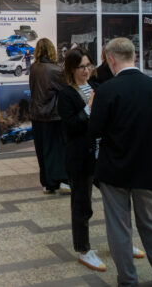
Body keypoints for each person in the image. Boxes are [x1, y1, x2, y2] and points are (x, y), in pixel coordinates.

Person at [89, 38, 152, 287]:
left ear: (110, 60)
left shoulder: (107, 91)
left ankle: (127, 281)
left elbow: (94, 131)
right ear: (135, 57)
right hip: (150, 169)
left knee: (119, 228)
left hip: (114, 171)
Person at [56, 49, 101, 270]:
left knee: (117, 201)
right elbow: (71, 125)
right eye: (81, 67)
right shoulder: (66, 94)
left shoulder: (96, 87)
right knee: (82, 205)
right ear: (72, 69)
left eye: (88, 65)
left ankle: (122, 241)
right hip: (80, 157)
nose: (86, 71)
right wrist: (88, 108)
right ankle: (83, 249)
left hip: (101, 154)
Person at [29, 38, 70, 195]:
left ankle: (47, 184)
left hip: (36, 115)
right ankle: (62, 181)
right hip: (52, 116)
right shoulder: (55, 70)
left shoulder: (34, 68)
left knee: (41, 150)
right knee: (56, 150)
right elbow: (67, 88)